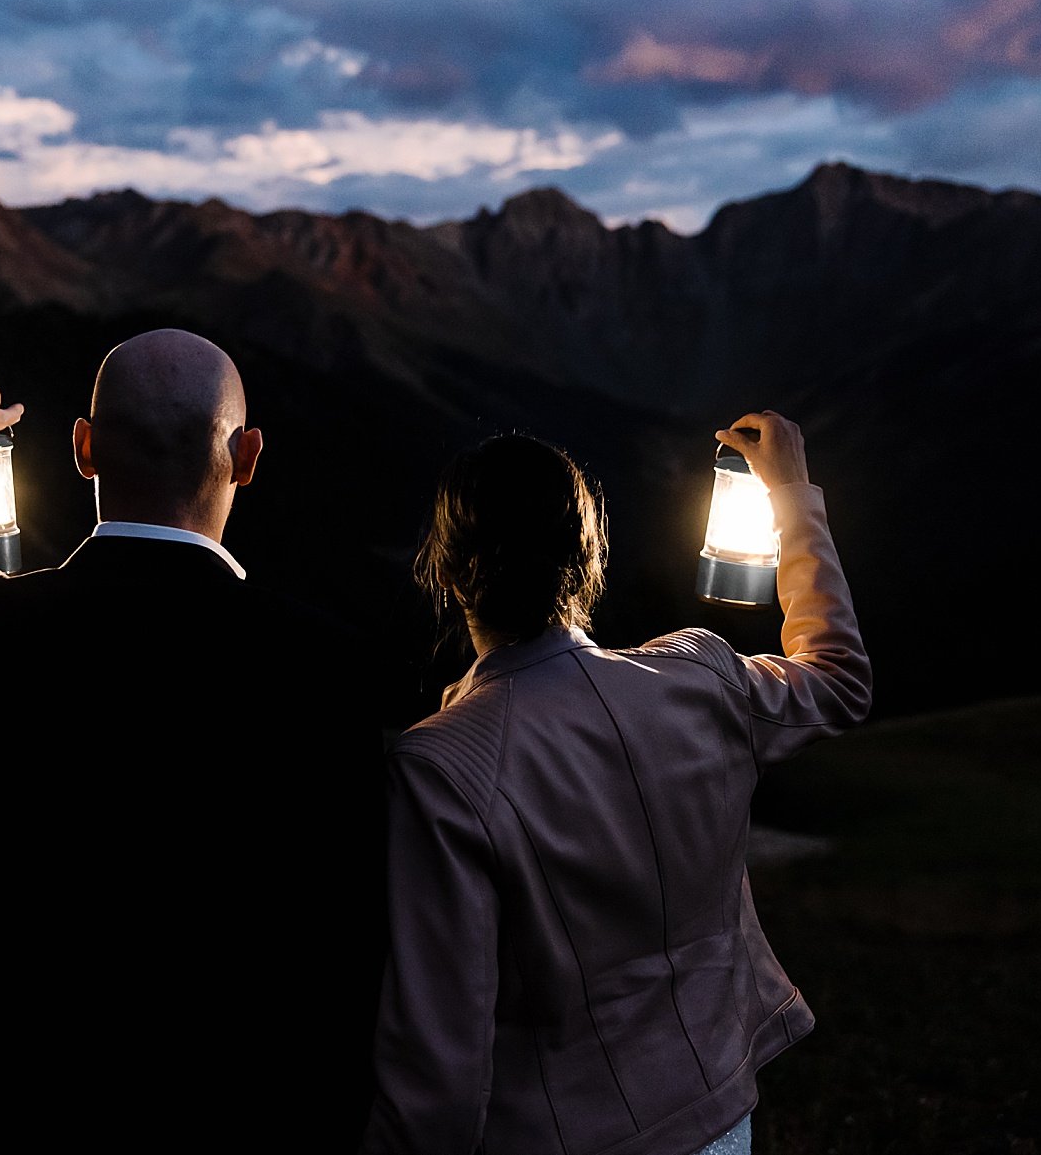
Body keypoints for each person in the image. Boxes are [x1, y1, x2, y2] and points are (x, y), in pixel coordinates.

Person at [0, 329, 385, 1152]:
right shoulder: (325, 667)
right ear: (248, 456)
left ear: (84, 449)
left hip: (23, 1107)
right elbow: (353, 942)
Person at [361, 412, 872, 1155]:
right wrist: (790, 494)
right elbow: (838, 676)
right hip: (723, 1121)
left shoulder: (441, 769)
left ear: (444, 571)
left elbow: (443, 1053)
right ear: (588, 555)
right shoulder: (701, 676)